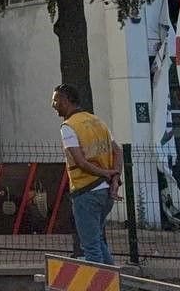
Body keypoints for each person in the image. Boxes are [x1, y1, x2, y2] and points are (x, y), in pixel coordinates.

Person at [51, 83, 122, 266]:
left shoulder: (68, 127)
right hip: (106, 192)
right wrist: (114, 179)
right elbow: (118, 152)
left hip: (86, 192)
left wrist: (106, 173)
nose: (53, 105)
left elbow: (81, 162)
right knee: (97, 241)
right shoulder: (97, 121)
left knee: (91, 247)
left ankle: (99, 279)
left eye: (56, 100)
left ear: (66, 101)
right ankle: (113, 278)